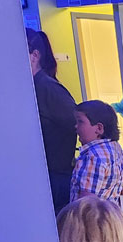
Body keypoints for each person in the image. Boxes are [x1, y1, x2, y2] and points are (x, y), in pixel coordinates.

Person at [26, 29, 76, 212]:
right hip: (45, 176)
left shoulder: (47, 88)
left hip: (56, 177)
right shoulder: (32, 87)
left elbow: (77, 123)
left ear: (35, 56)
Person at [71, 99, 123, 203]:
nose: (76, 126)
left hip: (89, 217)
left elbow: (86, 201)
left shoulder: (93, 157)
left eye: (80, 121)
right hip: (110, 215)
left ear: (99, 129)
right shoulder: (116, 148)